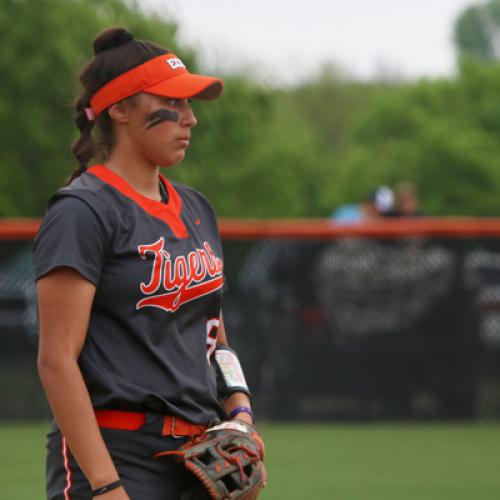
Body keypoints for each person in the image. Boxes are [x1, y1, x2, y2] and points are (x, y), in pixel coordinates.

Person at [34, 27, 257, 500]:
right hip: (114, 451)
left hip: (194, 457)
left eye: (189, 105)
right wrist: (106, 484)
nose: (190, 119)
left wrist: (239, 411)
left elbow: (214, 335)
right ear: (119, 109)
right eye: (173, 104)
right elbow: (56, 360)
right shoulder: (82, 211)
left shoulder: (196, 208)